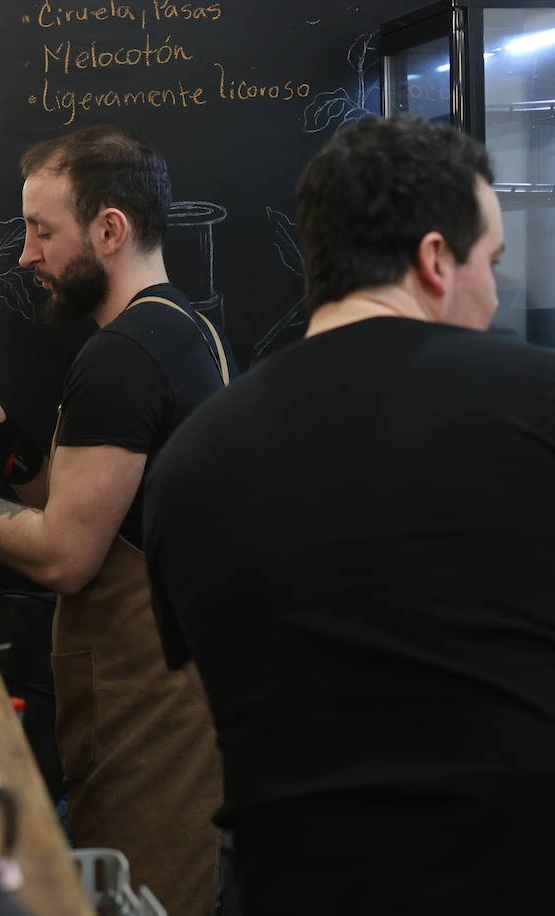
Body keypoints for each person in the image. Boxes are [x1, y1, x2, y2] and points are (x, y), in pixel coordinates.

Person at [141, 114, 555, 915]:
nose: (497, 290)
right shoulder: (540, 403)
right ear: (435, 260)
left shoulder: (190, 460)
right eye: (492, 262)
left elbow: (216, 701)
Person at [0, 124, 235, 916]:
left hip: (149, 708)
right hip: (168, 686)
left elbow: (67, 556)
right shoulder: (182, 329)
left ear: (109, 230)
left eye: (41, 230)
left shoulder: (124, 356)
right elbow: (102, 506)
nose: (26, 254)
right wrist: (12, 456)